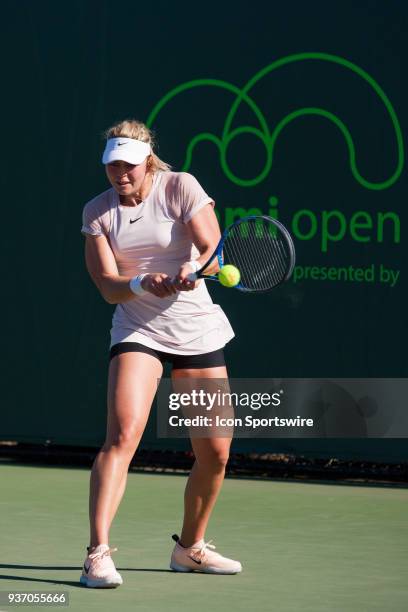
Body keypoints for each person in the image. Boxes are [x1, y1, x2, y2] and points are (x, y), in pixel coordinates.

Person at [79, 119, 242, 587]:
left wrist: (195, 264)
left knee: (215, 451)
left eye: (128, 165)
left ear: (147, 160)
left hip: (196, 329)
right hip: (138, 328)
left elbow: (213, 246)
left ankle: (190, 548)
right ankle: (97, 554)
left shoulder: (180, 187)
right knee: (123, 435)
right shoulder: (97, 212)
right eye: (112, 165)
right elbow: (109, 288)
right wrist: (139, 282)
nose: (120, 173)